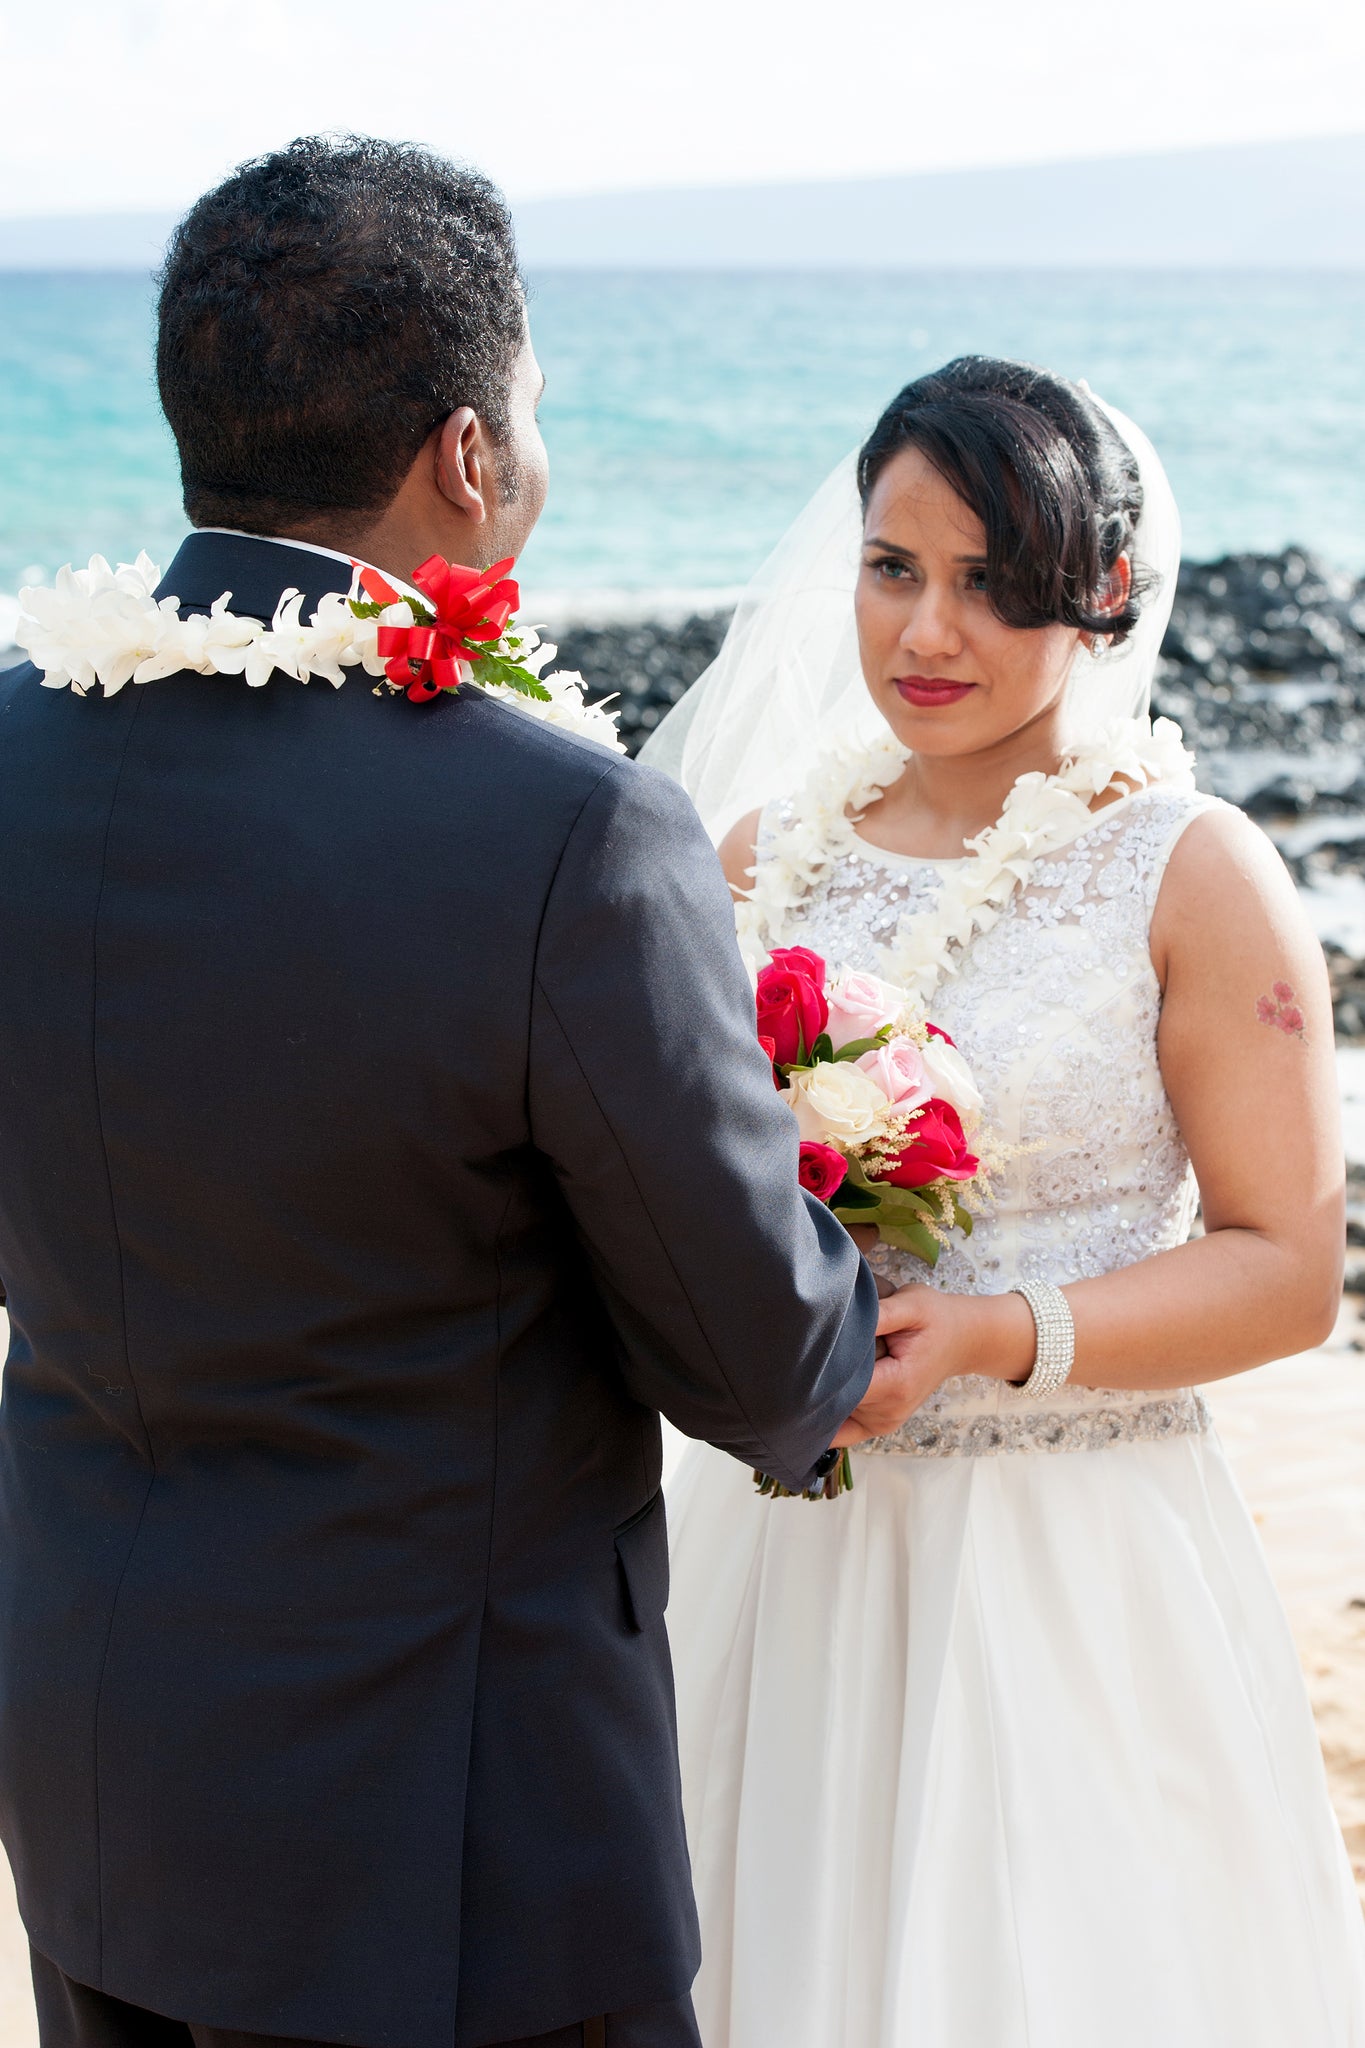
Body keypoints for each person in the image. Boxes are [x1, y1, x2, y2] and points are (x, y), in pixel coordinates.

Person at [0, 135, 910, 2048]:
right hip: (450, 1849)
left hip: (99, 1781)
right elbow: (753, 1359)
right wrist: (846, 1217)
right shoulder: (564, 834)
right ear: (466, 456)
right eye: (538, 407)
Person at [647, 356, 1365, 2046]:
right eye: (894, 569)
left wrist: (989, 1335)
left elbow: (1285, 1274)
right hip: (792, 1542)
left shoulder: (1191, 869)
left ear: (1100, 595)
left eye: (990, 583)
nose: (926, 634)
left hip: (1070, 1555)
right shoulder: (763, 856)